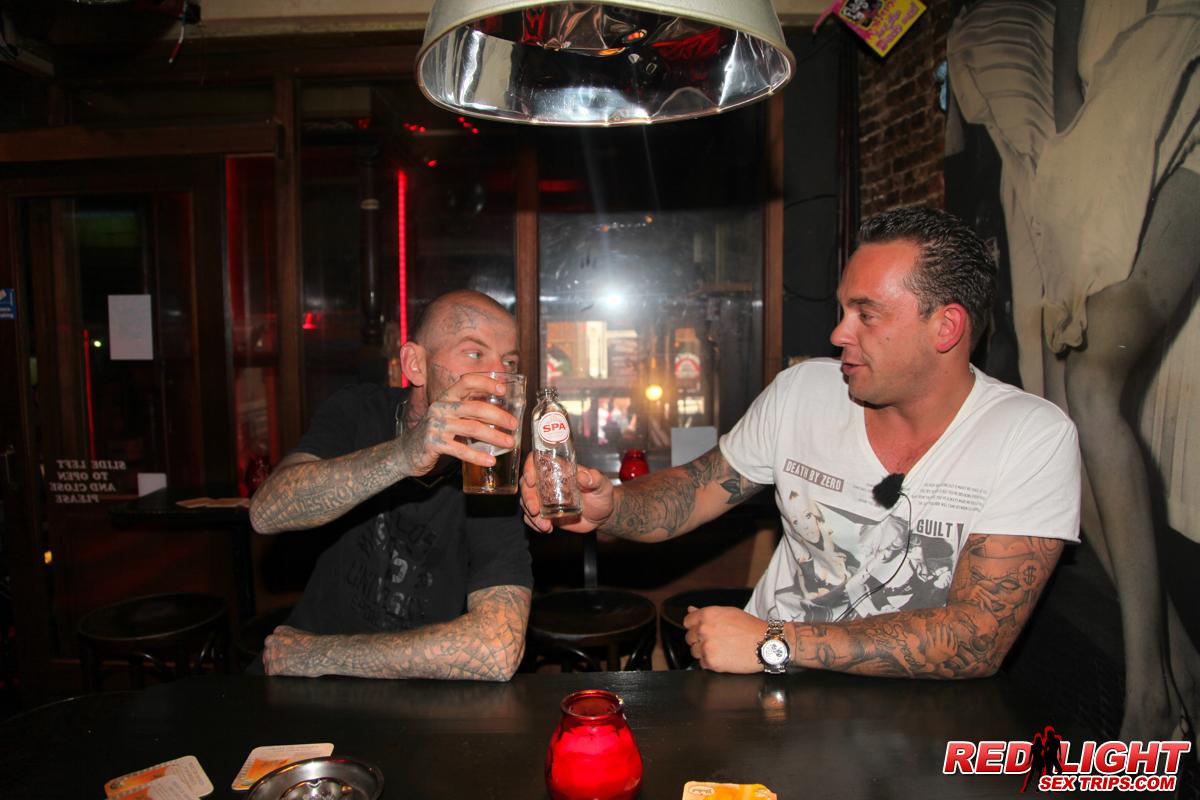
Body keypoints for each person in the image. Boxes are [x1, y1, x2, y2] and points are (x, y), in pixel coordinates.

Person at [521, 207, 1081, 678]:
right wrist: (612, 506)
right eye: (843, 310)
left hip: (914, 719)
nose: (839, 333)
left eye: (866, 314)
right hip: (767, 697)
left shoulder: (1030, 436)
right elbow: (695, 490)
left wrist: (774, 642)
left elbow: (977, 638)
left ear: (946, 328)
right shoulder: (803, 391)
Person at [948, 0, 1200, 741]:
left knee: (1090, 389)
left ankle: (1151, 694)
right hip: (1074, 167)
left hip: (1174, 128)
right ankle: (1180, 665)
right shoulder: (1033, 35)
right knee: (1065, 445)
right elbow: (1055, 107)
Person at [249, 289, 532, 680]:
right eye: (474, 353)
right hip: (299, 687)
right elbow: (266, 513)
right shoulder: (358, 411)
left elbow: (498, 650)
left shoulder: (493, 472)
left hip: (404, 690)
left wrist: (319, 656)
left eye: (509, 362)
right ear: (415, 364)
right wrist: (404, 455)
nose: (498, 380)